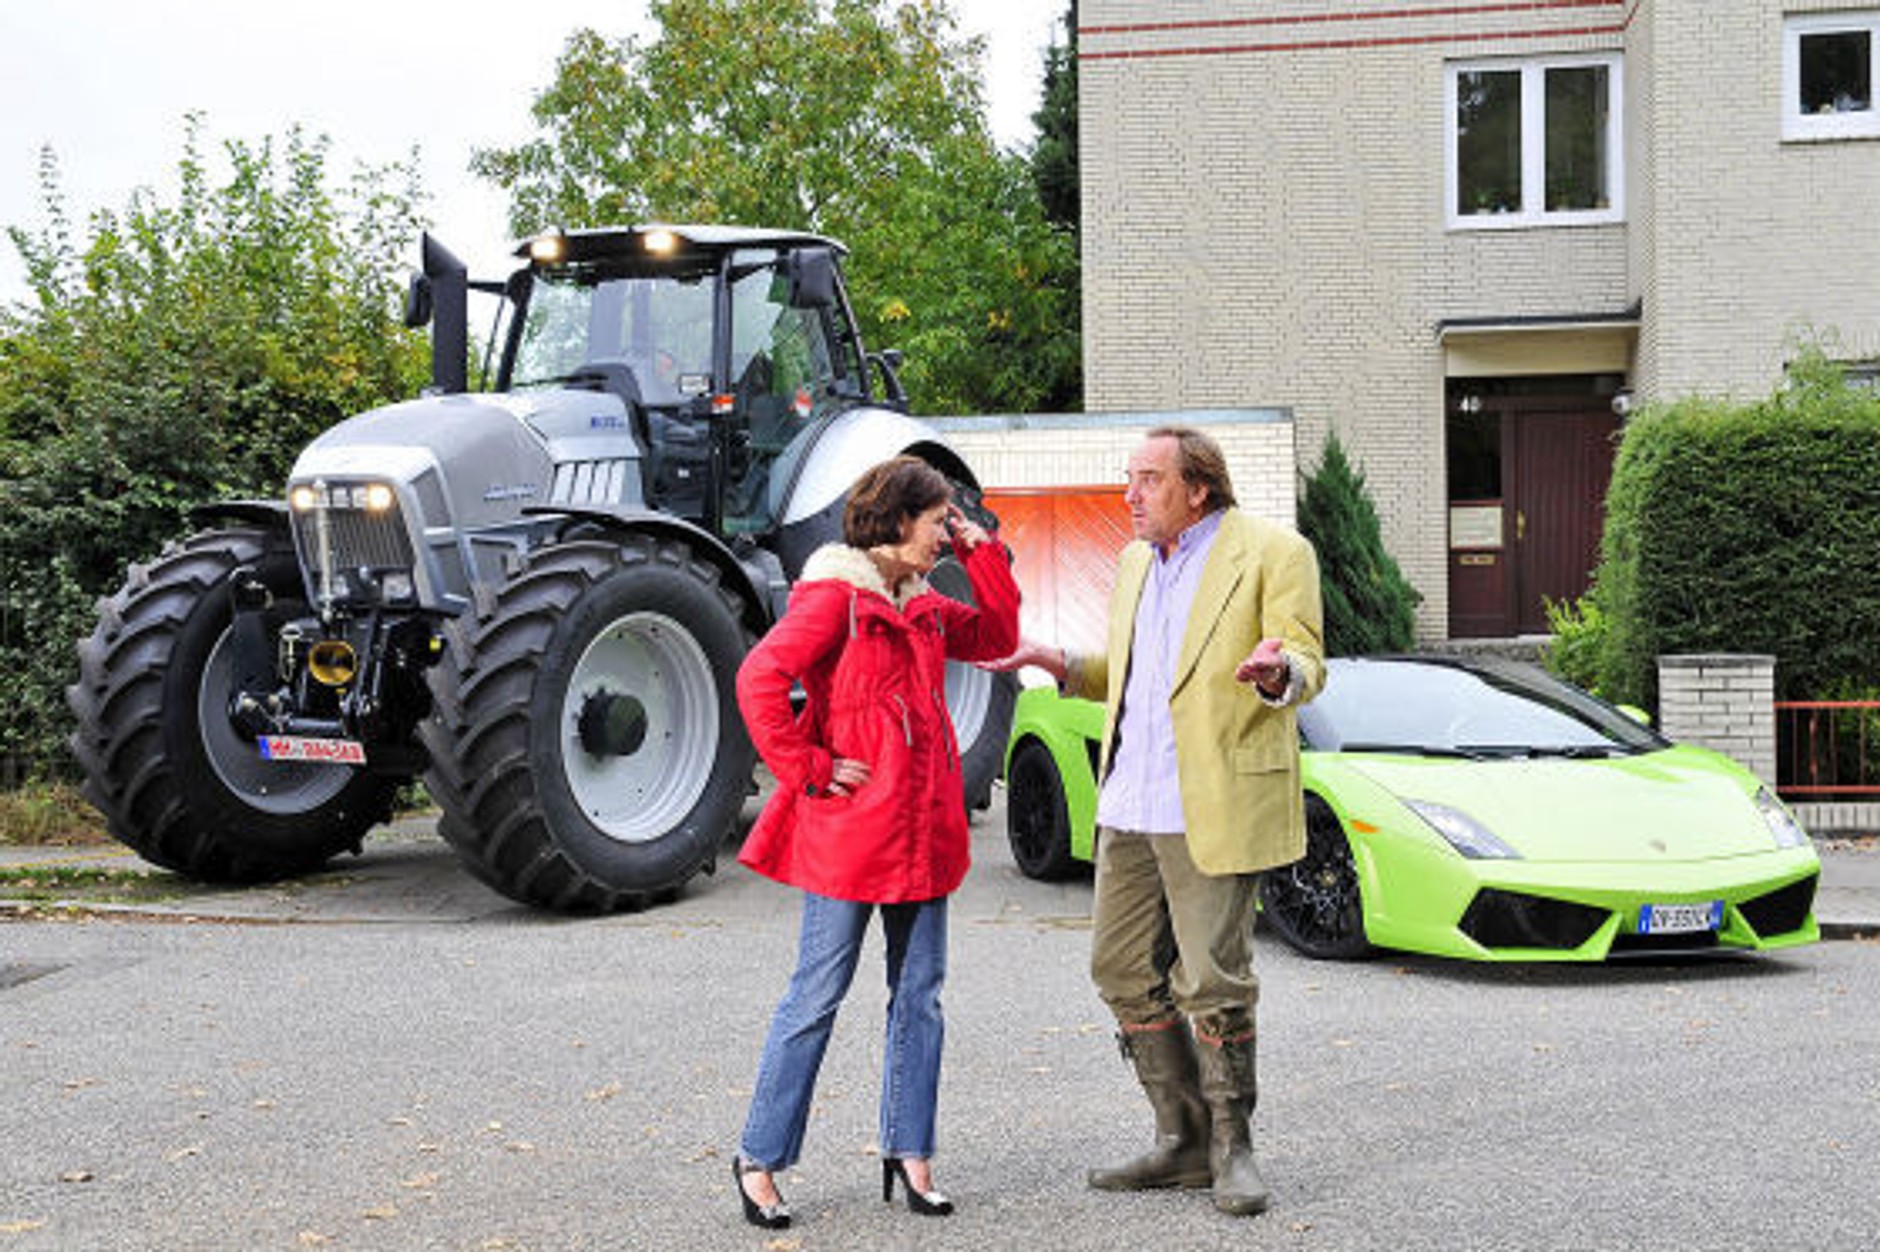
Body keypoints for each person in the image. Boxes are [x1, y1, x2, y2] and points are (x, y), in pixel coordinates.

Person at [991, 425, 1324, 1217]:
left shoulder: (1275, 553)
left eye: (1148, 479)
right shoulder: (1137, 562)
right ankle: (1181, 1139)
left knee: (1213, 978)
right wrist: (1061, 663)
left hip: (1210, 800)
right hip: (1129, 802)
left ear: (1197, 488)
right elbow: (1136, 672)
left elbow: (1307, 660)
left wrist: (1279, 672)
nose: (1131, 493)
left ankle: (1231, 1148)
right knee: (1119, 969)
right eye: (1129, 477)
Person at [729, 455, 1021, 1230]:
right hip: (853, 833)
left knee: (919, 999)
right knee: (816, 995)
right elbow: (760, 679)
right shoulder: (835, 599)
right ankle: (759, 1157)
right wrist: (810, 767)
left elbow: (997, 633)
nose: (942, 538)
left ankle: (910, 1152)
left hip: (924, 830)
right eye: (936, 523)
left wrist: (978, 546)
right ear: (897, 522)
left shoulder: (921, 602)